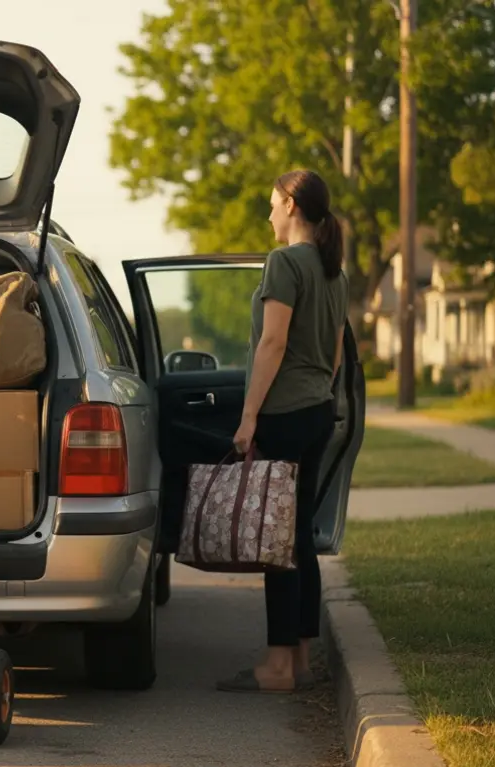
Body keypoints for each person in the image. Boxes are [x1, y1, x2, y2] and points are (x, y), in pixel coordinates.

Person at [218, 169, 347, 695]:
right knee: (298, 541)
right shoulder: (333, 270)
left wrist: (249, 417)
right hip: (318, 409)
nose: (268, 214)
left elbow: (271, 344)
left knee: (277, 544)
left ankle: (276, 668)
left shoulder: (285, 263)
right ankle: (299, 661)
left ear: (292, 205)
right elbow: (336, 351)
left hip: (285, 415)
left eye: (272, 204)